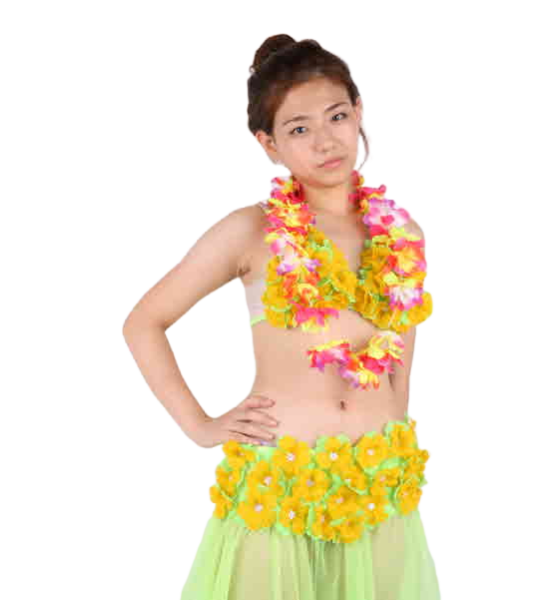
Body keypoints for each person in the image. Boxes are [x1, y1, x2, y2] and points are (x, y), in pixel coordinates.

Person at [122, 32, 442, 599]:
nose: (325, 141)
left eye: (336, 116)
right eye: (298, 129)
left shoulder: (403, 233)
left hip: (378, 492)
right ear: (267, 143)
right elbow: (143, 323)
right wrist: (199, 427)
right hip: (281, 491)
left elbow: (401, 371)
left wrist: (393, 458)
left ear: (358, 112)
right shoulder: (252, 230)